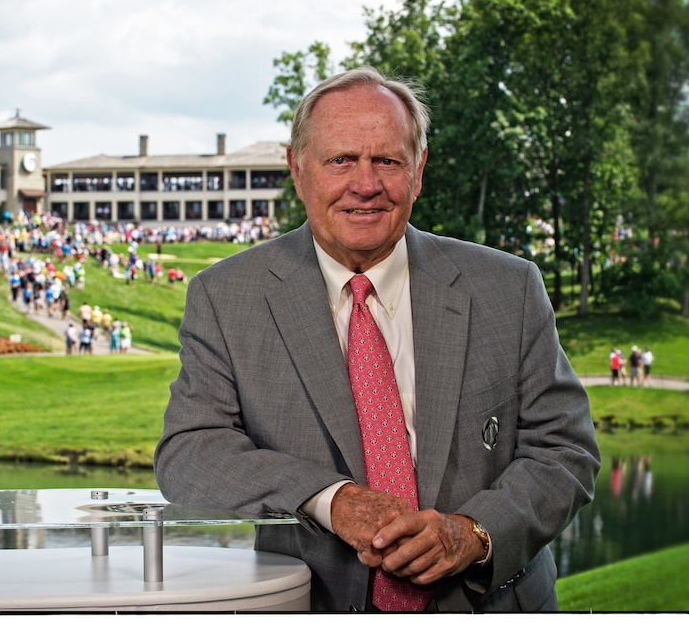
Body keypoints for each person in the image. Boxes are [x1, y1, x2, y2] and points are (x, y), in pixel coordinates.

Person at [154, 67, 600, 612]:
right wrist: (331, 499)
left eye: (387, 161)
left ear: (418, 171)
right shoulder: (227, 297)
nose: (365, 184)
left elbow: (564, 448)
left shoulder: (508, 288)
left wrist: (475, 534)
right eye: (340, 160)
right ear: (298, 170)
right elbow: (190, 451)